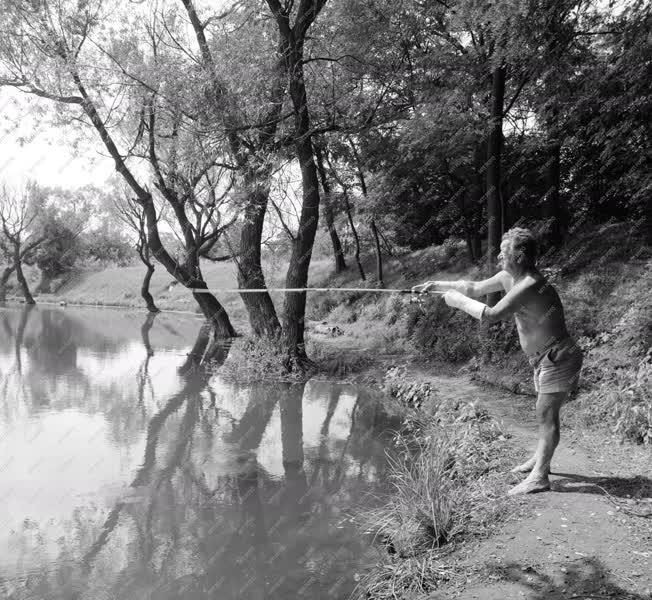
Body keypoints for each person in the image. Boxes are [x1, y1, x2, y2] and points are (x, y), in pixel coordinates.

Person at [412, 227, 583, 495]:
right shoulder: (508, 277)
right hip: (542, 359)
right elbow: (474, 287)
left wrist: (456, 302)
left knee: (546, 415)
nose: (499, 257)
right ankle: (541, 461)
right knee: (544, 414)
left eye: (504, 252)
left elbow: (491, 315)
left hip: (559, 358)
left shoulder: (531, 284)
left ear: (520, 256)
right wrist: (436, 286)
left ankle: (540, 477)